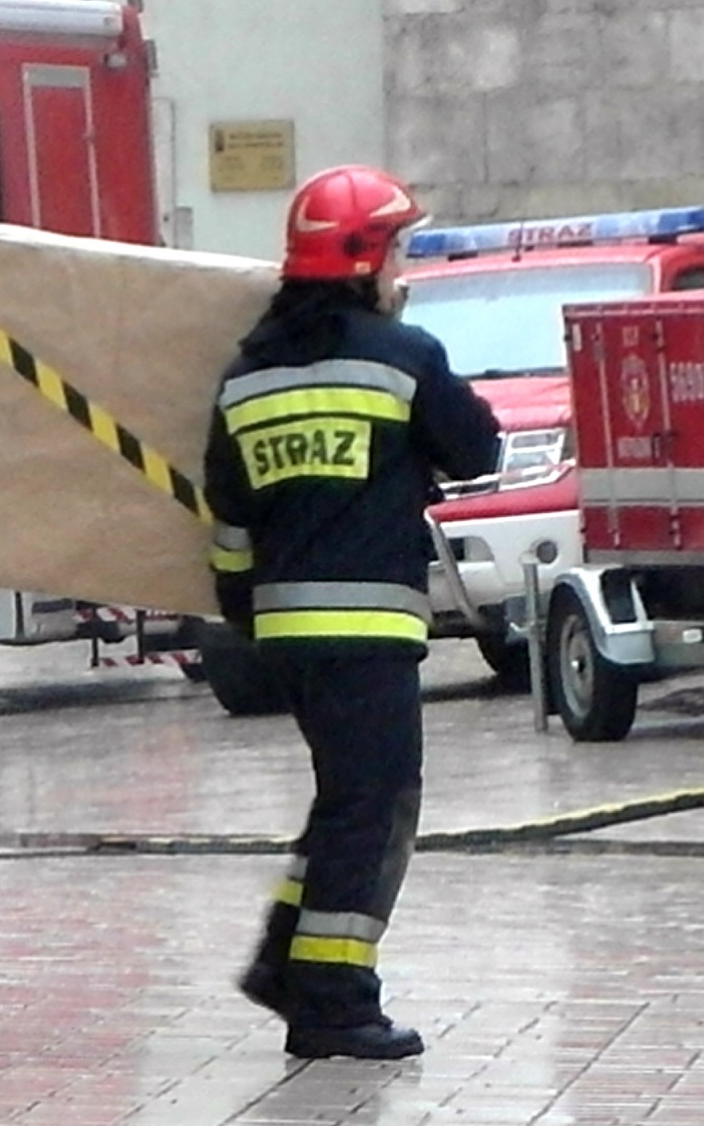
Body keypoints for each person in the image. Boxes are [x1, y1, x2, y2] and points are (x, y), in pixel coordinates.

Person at [204, 163, 499, 1061]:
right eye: (398, 246)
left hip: (284, 637)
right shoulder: (400, 357)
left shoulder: (245, 376)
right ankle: (333, 1003)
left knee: (344, 801)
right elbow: (478, 447)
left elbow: (226, 519)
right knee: (374, 808)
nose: (402, 263)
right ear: (367, 257)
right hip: (367, 633)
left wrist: (245, 616)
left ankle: (283, 966)